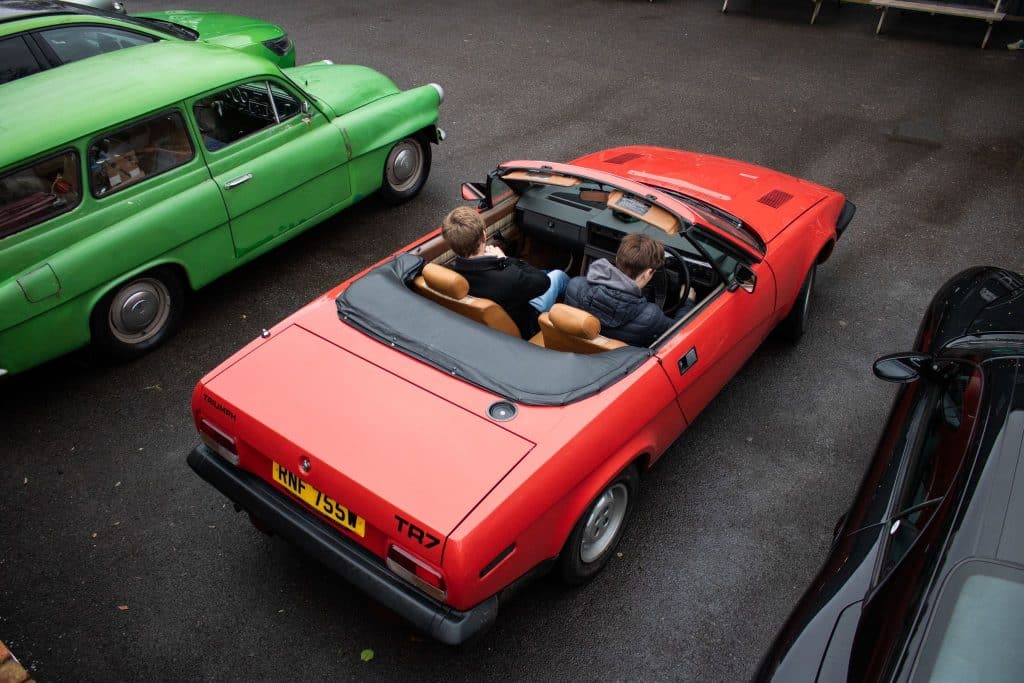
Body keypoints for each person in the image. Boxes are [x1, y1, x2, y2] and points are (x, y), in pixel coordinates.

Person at [441, 206, 568, 338]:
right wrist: (505, 260)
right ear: (484, 236)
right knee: (558, 276)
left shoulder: (450, 274)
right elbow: (543, 282)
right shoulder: (508, 277)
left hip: (488, 323)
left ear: (452, 246)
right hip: (526, 323)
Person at [565, 233, 694, 347]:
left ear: (616, 259)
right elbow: (680, 333)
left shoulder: (575, 286)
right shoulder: (651, 317)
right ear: (648, 273)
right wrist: (688, 302)